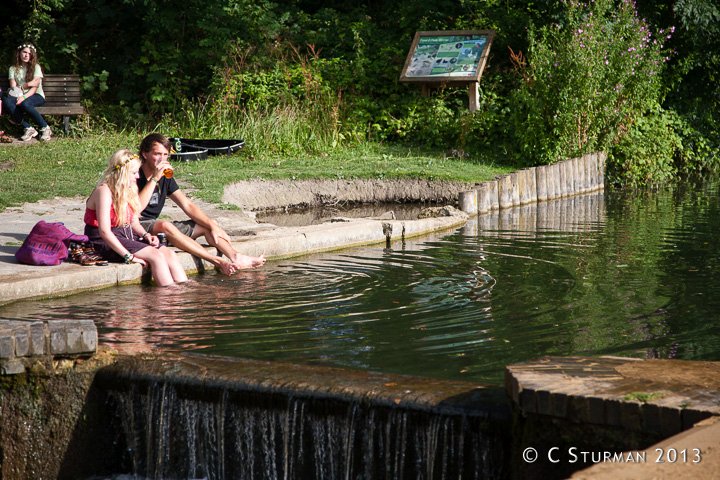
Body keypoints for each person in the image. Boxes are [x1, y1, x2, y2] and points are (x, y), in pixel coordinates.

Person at [137, 133, 266, 275]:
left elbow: (186, 204)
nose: (162, 159)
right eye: (157, 154)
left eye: (165, 154)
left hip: (156, 227)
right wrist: (154, 179)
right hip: (136, 226)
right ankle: (216, 261)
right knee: (165, 225)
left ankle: (236, 257)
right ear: (145, 154)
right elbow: (136, 209)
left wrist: (213, 225)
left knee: (206, 225)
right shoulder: (135, 175)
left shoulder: (164, 176)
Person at [85, 149, 188, 287]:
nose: (138, 176)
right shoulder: (104, 191)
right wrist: (128, 256)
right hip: (102, 240)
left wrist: (146, 235)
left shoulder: (129, 188)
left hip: (125, 233)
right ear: (122, 172)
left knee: (169, 254)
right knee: (156, 256)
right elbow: (104, 232)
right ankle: (168, 296)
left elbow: (133, 221)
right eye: (134, 173)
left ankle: (184, 290)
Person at [1, 43, 51, 142]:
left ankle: (45, 128)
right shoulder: (13, 68)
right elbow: (13, 87)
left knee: (25, 103)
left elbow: (35, 86)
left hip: (36, 95)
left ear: (32, 55)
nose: (26, 55)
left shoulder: (36, 67)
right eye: (24, 52)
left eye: (29, 53)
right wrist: (23, 90)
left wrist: (23, 93)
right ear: (19, 53)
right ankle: (28, 128)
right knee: (7, 100)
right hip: (19, 94)